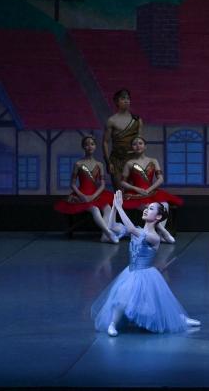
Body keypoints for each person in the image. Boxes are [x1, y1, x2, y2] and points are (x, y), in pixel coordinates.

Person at [90, 191, 200, 336]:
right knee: (121, 297)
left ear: (158, 217)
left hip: (145, 274)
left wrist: (121, 207)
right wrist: (115, 208)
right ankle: (113, 324)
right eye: (147, 208)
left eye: (151, 208)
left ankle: (179, 319)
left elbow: (131, 229)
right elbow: (112, 226)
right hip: (131, 271)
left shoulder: (154, 237)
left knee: (153, 308)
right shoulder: (139, 230)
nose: (147, 209)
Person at [54, 135, 123, 243]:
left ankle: (104, 236)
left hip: (96, 193)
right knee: (95, 209)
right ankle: (108, 233)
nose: (89, 146)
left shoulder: (99, 164)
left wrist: (93, 196)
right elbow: (72, 184)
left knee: (108, 208)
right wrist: (82, 196)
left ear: (95, 146)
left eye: (92, 144)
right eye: (86, 144)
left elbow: (102, 184)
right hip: (81, 194)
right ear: (83, 147)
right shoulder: (78, 164)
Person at [120, 136, 183, 244]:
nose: (138, 146)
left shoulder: (153, 161)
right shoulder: (129, 163)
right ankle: (161, 233)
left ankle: (159, 234)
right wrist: (136, 189)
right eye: (135, 144)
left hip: (151, 191)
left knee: (165, 205)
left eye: (140, 143)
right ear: (132, 147)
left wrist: (149, 190)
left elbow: (160, 179)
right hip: (135, 194)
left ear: (145, 146)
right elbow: (122, 182)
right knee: (151, 209)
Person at [103, 88, 142, 190]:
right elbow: (105, 142)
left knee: (134, 191)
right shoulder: (111, 120)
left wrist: (141, 161)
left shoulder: (136, 120)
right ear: (116, 102)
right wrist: (108, 162)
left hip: (133, 159)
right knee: (119, 192)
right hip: (117, 160)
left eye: (128, 98)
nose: (126, 101)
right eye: (123, 98)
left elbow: (140, 142)